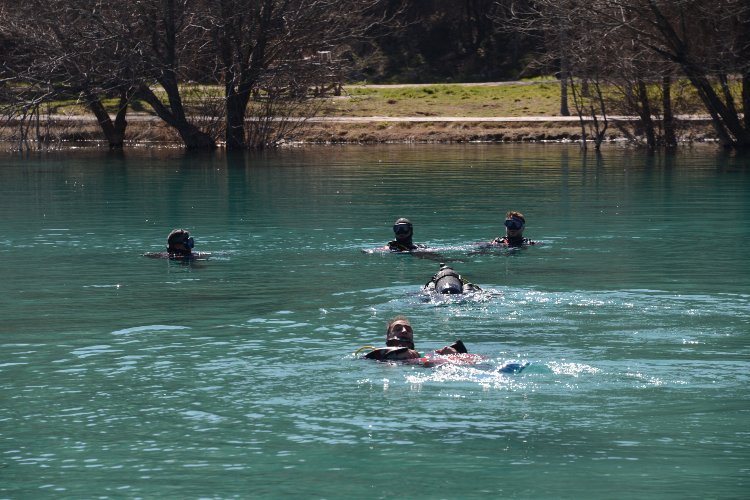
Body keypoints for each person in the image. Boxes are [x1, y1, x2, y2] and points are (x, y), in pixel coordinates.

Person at [362, 316, 467, 362]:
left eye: (408, 330)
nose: (404, 331)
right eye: (398, 329)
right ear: (388, 336)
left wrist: (452, 354)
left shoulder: (426, 354)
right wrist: (396, 354)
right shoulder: (377, 357)